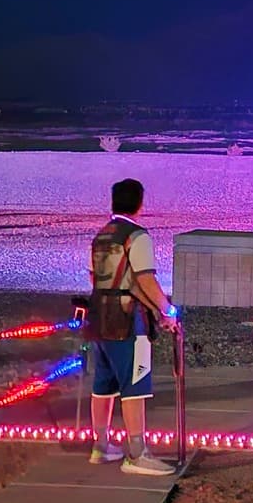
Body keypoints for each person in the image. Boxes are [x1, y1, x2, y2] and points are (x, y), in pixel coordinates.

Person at [86, 178, 178, 476]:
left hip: (98, 314)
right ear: (140, 203)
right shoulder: (137, 236)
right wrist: (167, 311)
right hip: (126, 319)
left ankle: (101, 446)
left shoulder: (102, 235)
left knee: (103, 384)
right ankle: (137, 454)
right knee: (134, 385)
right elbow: (145, 280)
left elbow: (94, 277)